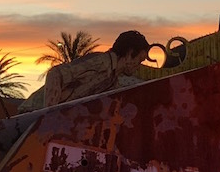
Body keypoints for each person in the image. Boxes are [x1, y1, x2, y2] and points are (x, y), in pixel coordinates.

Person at [20, 30, 152, 111]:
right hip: (31, 113)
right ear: (129, 53)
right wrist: (47, 116)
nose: (138, 66)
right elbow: (55, 74)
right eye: (139, 60)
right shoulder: (101, 62)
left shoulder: (112, 81)